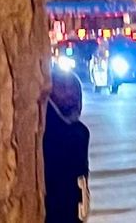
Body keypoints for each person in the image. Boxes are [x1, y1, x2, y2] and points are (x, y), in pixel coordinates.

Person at [44, 68, 91, 222]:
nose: (70, 95)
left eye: (73, 90)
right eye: (62, 88)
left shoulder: (77, 133)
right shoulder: (67, 135)